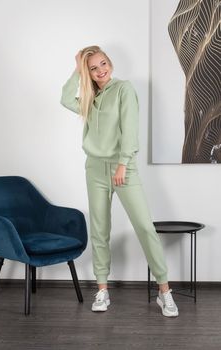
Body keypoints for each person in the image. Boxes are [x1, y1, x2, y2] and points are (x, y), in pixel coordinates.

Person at [60, 45, 179, 317]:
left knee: (144, 228)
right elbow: (65, 99)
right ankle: (102, 290)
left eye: (103, 64)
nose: (101, 70)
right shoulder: (90, 98)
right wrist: (77, 69)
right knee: (100, 230)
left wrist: (123, 164)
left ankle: (165, 292)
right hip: (95, 169)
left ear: (109, 63)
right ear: (87, 72)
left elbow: (130, 129)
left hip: (123, 168)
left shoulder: (124, 89)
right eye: (93, 68)